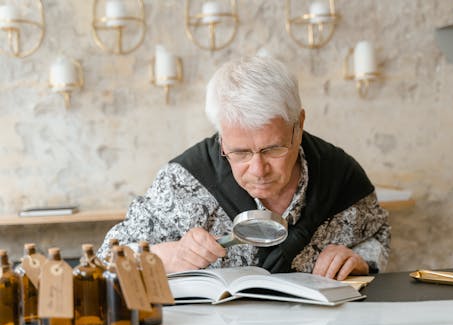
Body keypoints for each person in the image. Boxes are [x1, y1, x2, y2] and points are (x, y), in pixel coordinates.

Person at [97, 56, 390, 280]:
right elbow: (106, 260)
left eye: (272, 149)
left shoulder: (340, 175)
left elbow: (378, 236)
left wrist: (360, 259)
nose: (258, 169)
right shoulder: (181, 182)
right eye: (239, 152)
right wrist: (166, 256)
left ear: (298, 126)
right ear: (221, 136)